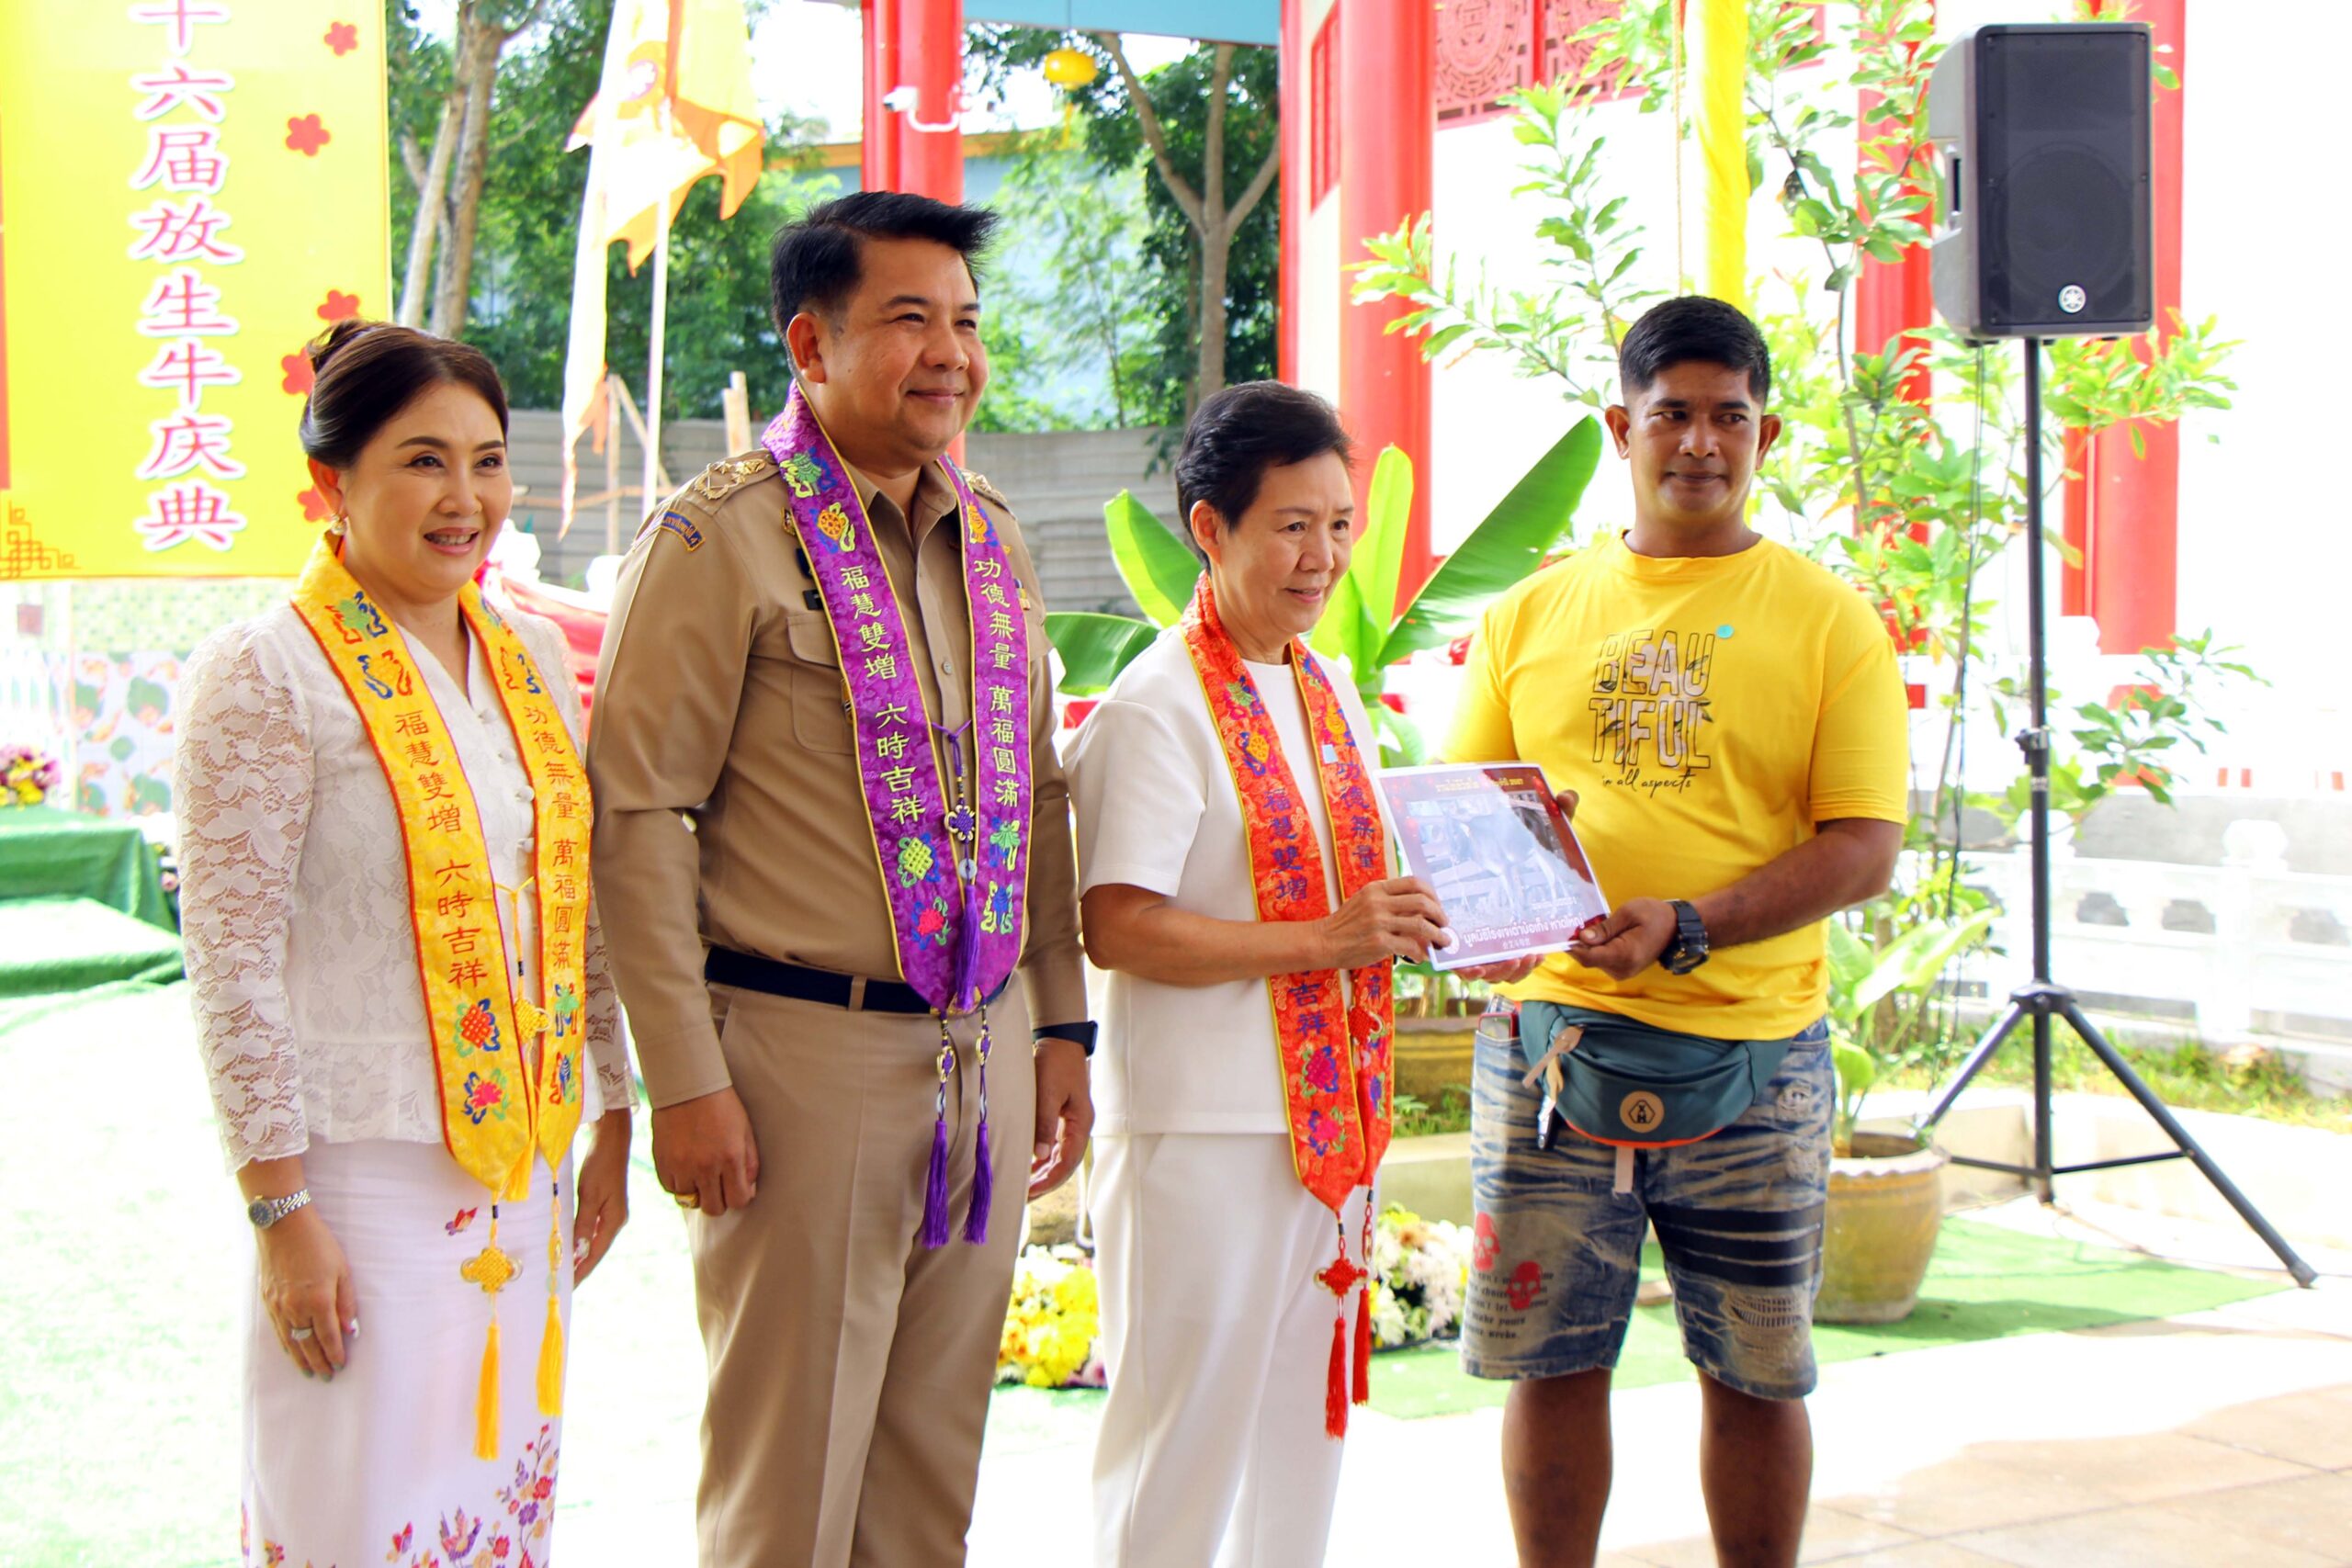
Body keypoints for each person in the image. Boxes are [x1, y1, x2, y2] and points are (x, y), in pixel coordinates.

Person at [586, 191, 1093, 1568]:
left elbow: (1030, 798)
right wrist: (684, 1079)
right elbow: (636, 816)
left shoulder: (994, 537)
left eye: (969, 323)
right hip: (798, 1064)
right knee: (788, 1483)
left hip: (979, 1056)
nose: (951, 354)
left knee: (929, 1477)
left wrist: (1059, 1022)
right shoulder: (718, 540)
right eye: (910, 321)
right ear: (809, 344)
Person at [1446, 296, 1909, 1568]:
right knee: (1552, 1364)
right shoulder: (1527, 615)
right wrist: (1485, 921)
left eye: (1729, 416)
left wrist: (1690, 925)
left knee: (1759, 1374)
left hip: (1757, 1060)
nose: (1700, 441)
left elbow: (1863, 844)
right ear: (1620, 427)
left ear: (1769, 434)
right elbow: (1471, 817)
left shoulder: (1829, 619)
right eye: (1672, 414)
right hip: (1551, 1050)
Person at [177, 320, 633, 1565]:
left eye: (487, 462)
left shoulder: (529, 652)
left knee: (496, 1499)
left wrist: (615, 1112)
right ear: (332, 484)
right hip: (361, 1178)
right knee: (358, 1501)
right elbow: (231, 961)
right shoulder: (265, 673)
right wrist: (282, 1213)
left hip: (526, 1158)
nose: (465, 498)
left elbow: (572, 896)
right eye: (423, 461)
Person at [1070, 381, 1524, 1568]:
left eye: (1337, 523)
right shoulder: (1157, 705)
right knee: (1178, 1455)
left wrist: (1513, 867)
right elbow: (1117, 925)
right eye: (1291, 525)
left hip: (1327, 1136)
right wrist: (1327, 940)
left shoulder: (1323, 688)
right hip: (1203, 1136)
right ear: (1208, 530)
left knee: (1297, 1456)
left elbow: (1363, 880)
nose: (1324, 556)